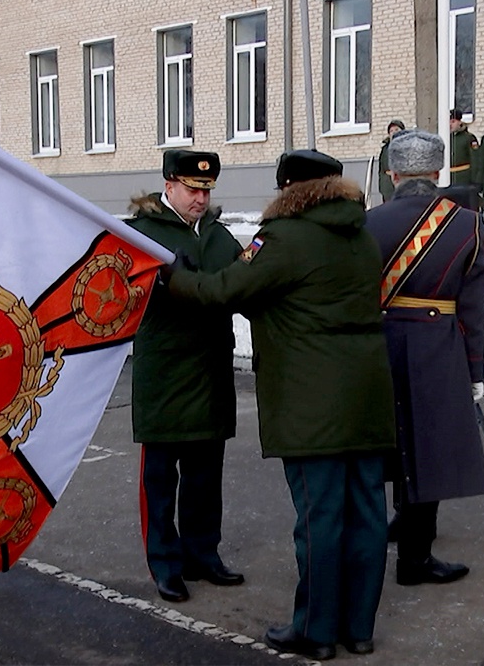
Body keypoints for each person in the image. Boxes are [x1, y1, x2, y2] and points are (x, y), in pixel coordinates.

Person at [168, 149, 396, 660]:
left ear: (289, 189)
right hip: (367, 396)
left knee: (319, 519)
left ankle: (315, 632)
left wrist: (176, 275)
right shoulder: (362, 235)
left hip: (312, 399)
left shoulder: (284, 237)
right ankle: (358, 629)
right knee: (366, 513)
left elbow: (223, 290)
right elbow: (299, 297)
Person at [364, 129, 484, 587]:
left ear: (392, 174)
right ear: (438, 173)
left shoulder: (369, 222)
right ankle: (415, 559)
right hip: (439, 344)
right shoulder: (466, 224)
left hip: (379, 343)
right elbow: (475, 306)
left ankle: (392, 525)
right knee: (429, 445)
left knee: (387, 439)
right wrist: (475, 368)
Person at [126, 149, 245, 603]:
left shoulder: (218, 237)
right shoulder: (142, 234)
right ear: (169, 185)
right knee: (160, 478)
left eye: (207, 189)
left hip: (211, 367)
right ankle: (165, 563)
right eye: (193, 189)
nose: (201, 197)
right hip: (165, 370)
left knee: (205, 474)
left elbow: (242, 284)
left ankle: (202, 554)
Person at [377, 119, 406, 204]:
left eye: (397, 130)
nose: (394, 132)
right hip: (388, 187)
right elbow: (383, 168)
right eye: (391, 131)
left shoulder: (407, 147)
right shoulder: (385, 149)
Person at [449, 109, 479, 187]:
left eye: (453, 121)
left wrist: (475, 180)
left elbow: (475, 160)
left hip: (464, 178)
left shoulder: (468, 137)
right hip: (448, 179)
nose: (450, 124)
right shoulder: (445, 138)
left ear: (459, 122)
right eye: (448, 121)